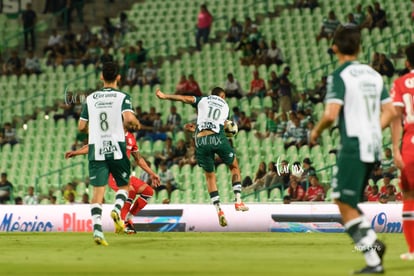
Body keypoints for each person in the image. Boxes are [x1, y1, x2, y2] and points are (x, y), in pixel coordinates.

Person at [310, 25, 396, 273]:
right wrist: (373, 129)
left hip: (353, 145)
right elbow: (390, 112)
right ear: (359, 47)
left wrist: (316, 132)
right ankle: (372, 244)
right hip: (373, 145)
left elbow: (330, 113)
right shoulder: (373, 75)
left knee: (341, 200)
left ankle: (372, 258)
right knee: (347, 201)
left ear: (334, 48)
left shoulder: (340, 75)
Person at [156, 86, 249, 227]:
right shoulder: (225, 106)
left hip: (200, 140)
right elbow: (221, 125)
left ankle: (219, 210)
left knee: (210, 176)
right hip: (217, 138)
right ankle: (238, 201)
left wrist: (165, 96)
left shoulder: (203, 100)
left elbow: (185, 99)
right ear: (222, 96)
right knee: (234, 167)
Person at [77, 61, 141, 245]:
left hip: (96, 147)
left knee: (98, 192)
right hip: (117, 147)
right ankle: (117, 209)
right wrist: (136, 123)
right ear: (119, 77)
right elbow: (129, 120)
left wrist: (94, 130)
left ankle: (97, 230)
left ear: (101, 77)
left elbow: (81, 126)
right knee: (124, 186)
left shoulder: (90, 98)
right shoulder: (123, 97)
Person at [65, 127, 160, 234]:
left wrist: (152, 173)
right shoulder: (111, 135)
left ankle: (128, 219)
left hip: (125, 174)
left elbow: (139, 159)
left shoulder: (131, 138)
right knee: (131, 191)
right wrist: (76, 152)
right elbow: (93, 147)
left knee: (148, 192)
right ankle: (123, 223)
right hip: (113, 173)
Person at [390, 43, 414, 261]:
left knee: (409, 196)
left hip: (410, 145)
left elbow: (396, 117)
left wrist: (395, 148)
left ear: (407, 63)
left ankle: (412, 250)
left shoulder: (399, 84)